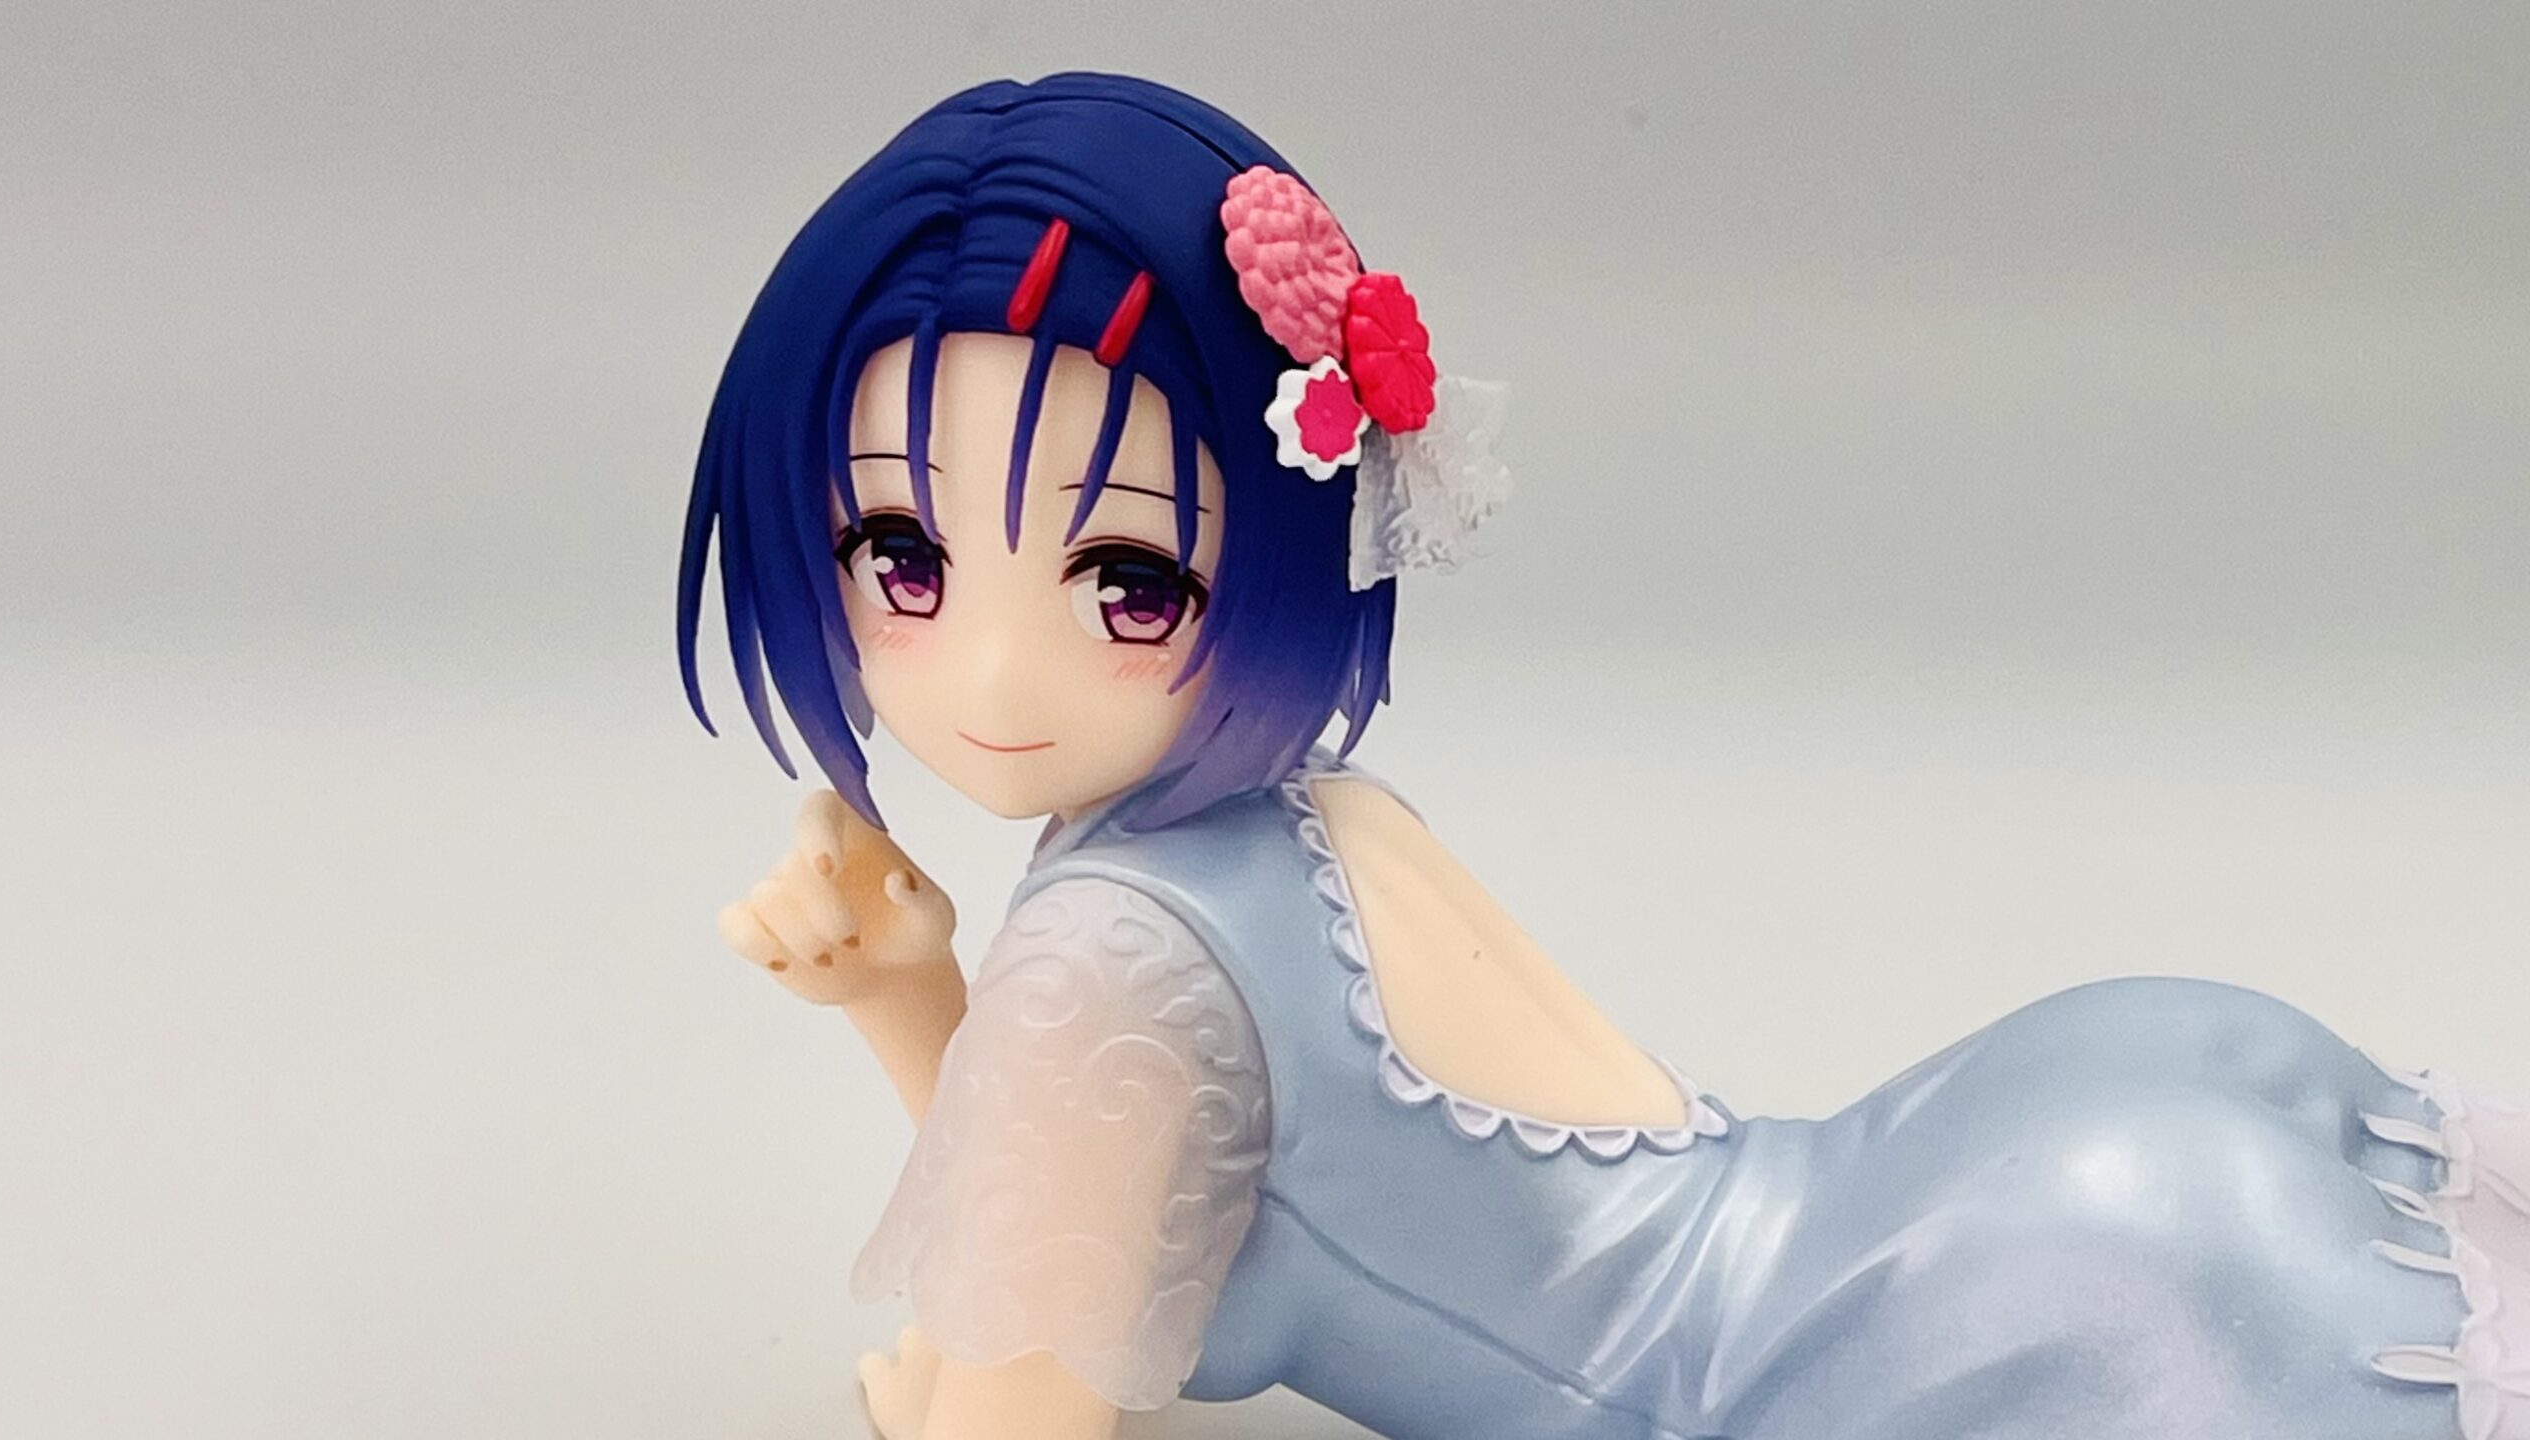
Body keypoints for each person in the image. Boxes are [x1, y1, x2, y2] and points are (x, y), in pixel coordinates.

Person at [680, 72, 2528, 1440]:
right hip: (2013, 1147)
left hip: (1895, 1356)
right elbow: (1119, 1239)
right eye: (901, 558)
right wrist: (912, 994)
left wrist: (942, 1377)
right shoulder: (1296, 822)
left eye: (1129, 580)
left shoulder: (1112, 948)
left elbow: (1045, 1375)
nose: (995, 671)